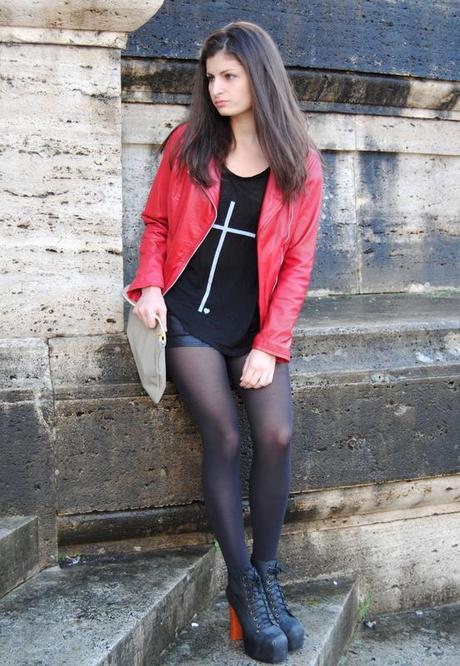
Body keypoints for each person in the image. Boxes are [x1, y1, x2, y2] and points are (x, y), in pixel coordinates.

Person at [126, 20, 324, 664]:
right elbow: (156, 222)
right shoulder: (189, 144)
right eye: (210, 77)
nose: (216, 87)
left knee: (276, 436)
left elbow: (297, 266)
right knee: (227, 437)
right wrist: (150, 286)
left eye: (229, 75)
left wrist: (271, 344)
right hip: (186, 320)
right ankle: (241, 586)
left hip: (253, 328)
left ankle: (268, 579)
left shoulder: (301, 164)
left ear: (259, 77)